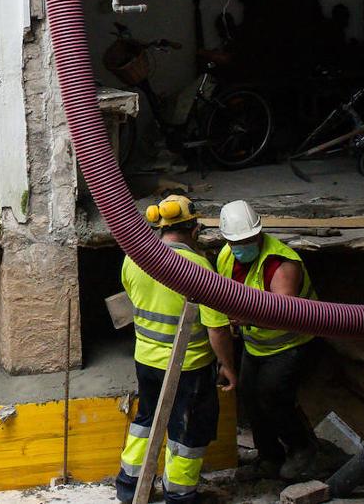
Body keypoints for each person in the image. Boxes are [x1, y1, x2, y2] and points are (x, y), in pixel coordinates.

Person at [116, 195, 236, 504]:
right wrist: (227, 365)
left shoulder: (134, 259)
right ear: (194, 230)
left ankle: (129, 485)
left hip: (146, 360)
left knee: (146, 421)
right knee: (187, 431)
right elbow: (217, 328)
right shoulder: (198, 268)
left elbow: (133, 302)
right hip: (188, 366)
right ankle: (180, 495)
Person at [215, 199, 321, 481]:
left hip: (290, 344)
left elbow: (284, 314)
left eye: (248, 239)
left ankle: (302, 449)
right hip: (256, 344)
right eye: (236, 241)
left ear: (259, 234)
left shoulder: (282, 264)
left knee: (272, 397)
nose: (241, 246)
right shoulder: (226, 256)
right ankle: (269, 457)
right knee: (249, 397)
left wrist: (245, 319)